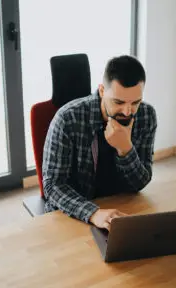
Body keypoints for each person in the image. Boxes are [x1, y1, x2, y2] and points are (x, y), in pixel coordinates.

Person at [42, 55, 157, 231]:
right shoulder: (67, 119)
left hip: (122, 209)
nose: (127, 112)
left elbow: (140, 183)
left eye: (135, 102)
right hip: (76, 213)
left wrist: (125, 149)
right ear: (102, 91)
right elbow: (53, 186)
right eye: (118, 102)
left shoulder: (146, 116)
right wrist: (93, 213)